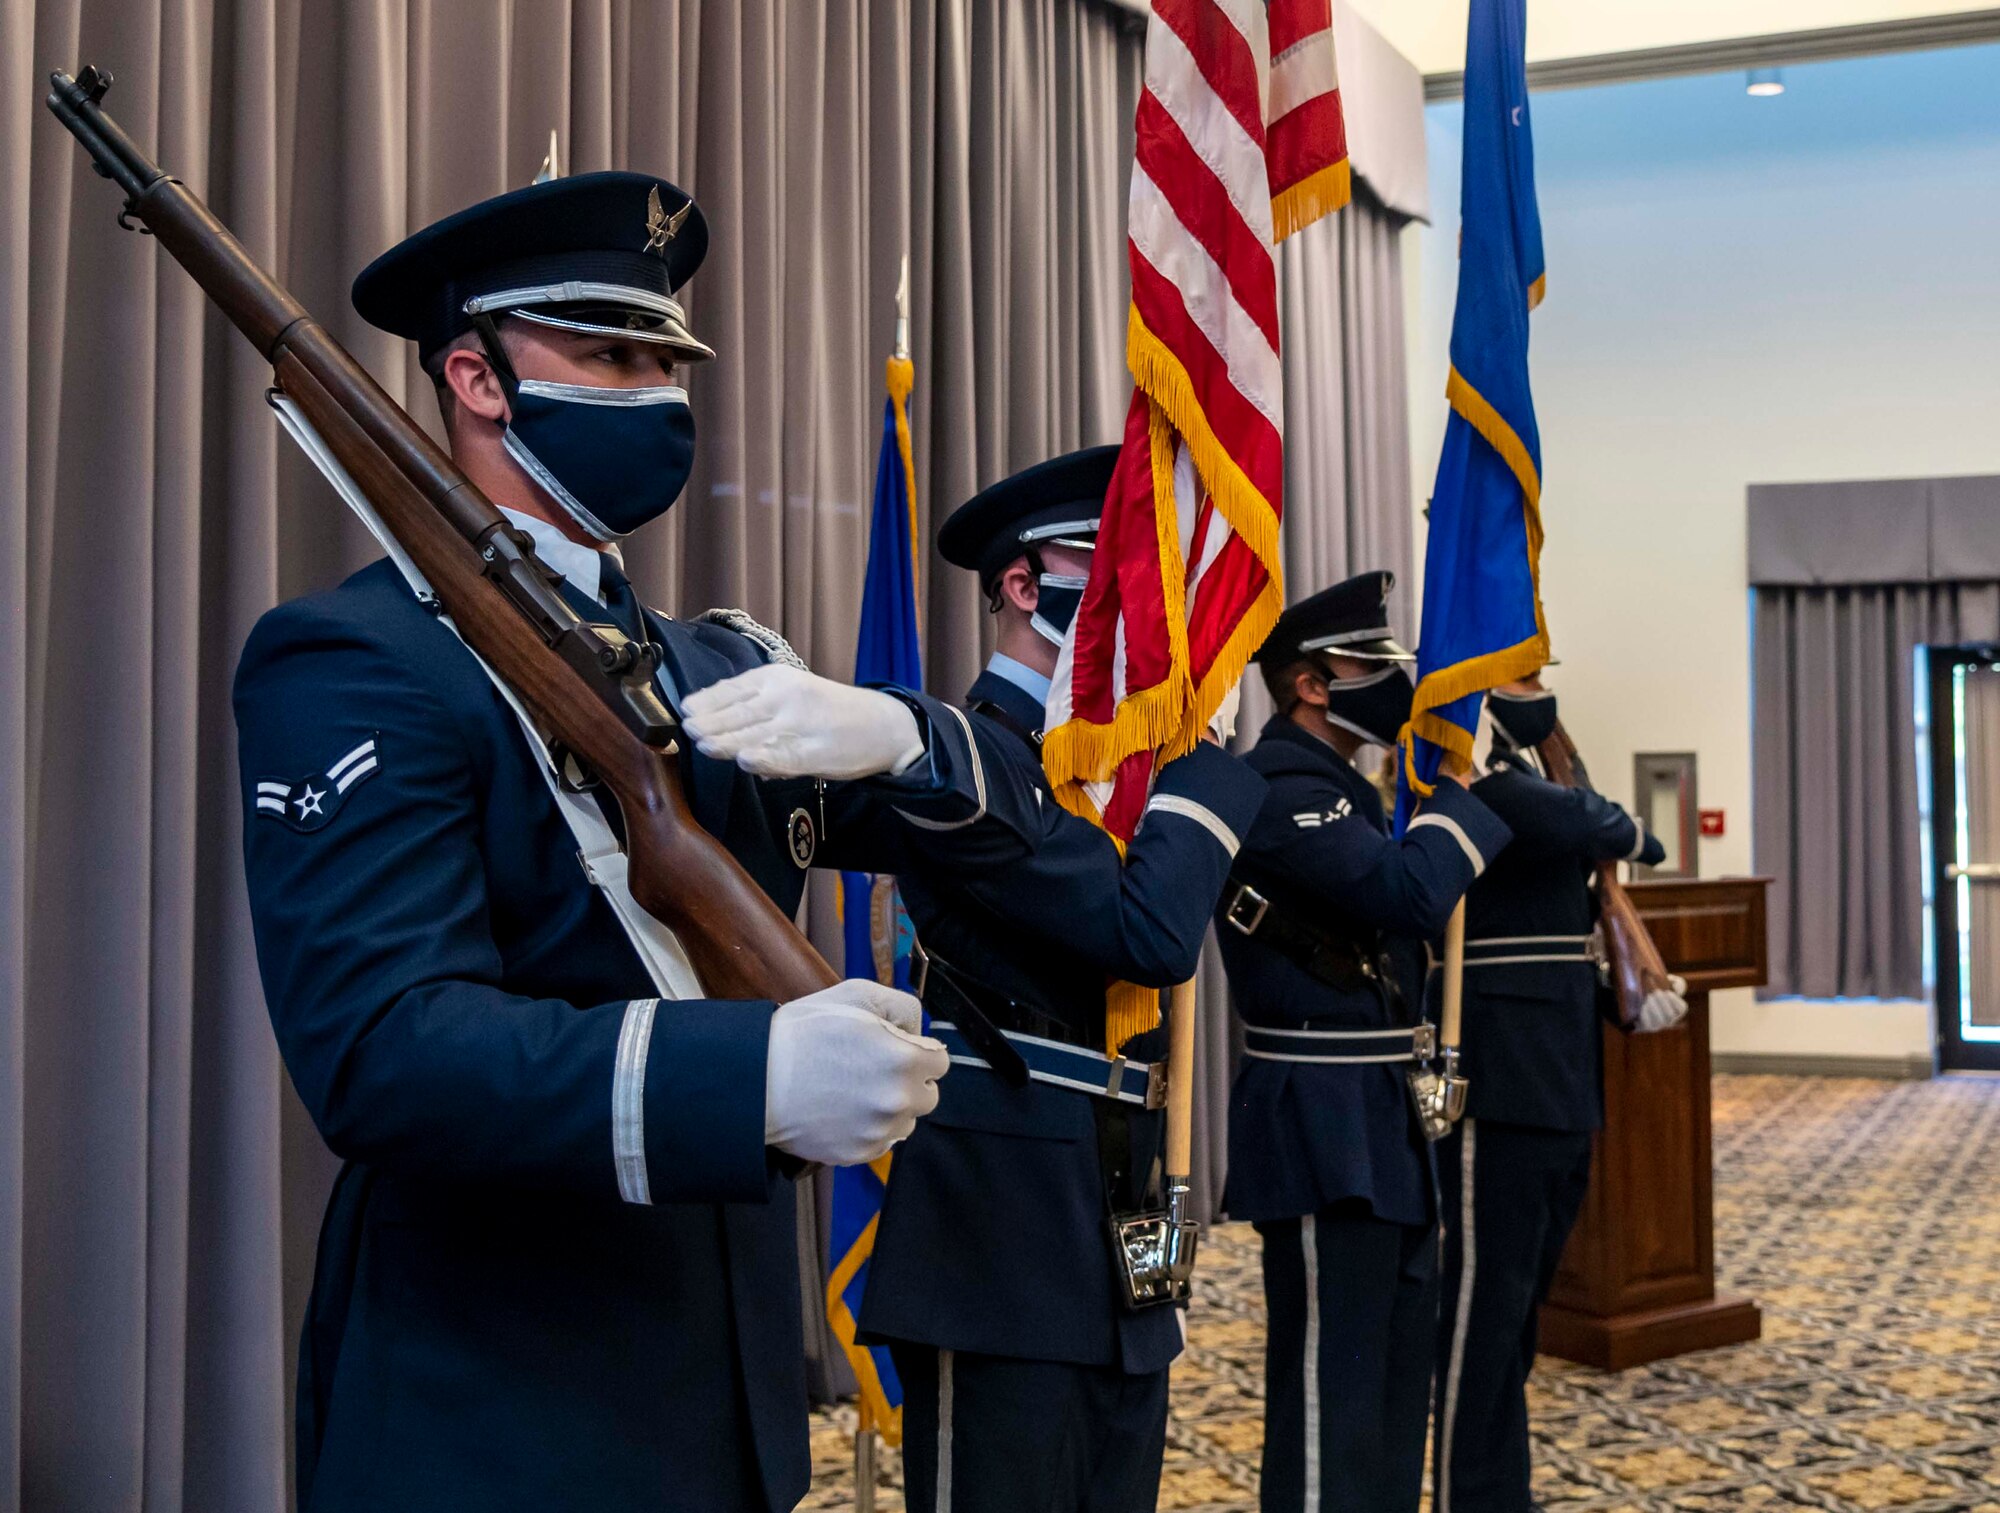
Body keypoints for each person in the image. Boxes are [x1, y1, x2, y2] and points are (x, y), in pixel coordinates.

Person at [236, 171, 1039, 1512]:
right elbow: (383, 1051)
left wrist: (913, 737)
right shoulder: (355, 658)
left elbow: (1018, 843)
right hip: (500, 1408)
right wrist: (750, 1074)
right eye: (611, 353)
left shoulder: (724, 667)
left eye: (669, 357)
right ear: (478, 379)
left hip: (722, 1395)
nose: (659, 392)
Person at [687, 445, 1269, 1513]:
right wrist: (1213, 769)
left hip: (1129, 1212)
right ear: (1021, 582)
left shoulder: (1111, 770)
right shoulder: (961, 753)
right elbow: (1147, 932)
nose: (1156, 605)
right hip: (1002, 1239)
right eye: (1120, 569)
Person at [1213, 572, 1512, 1513]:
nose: (1397, 684)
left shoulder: (1346, 787)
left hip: (1381, 1106)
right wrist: (1459, 796)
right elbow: (1405, 895)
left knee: (1391, 1376)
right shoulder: (1278, 786)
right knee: (1327, 1388)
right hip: (1318, 1111)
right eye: (1372, 665)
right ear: (1312, 683)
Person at [1429, 670, 1673, 1513]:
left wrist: (1600, 808)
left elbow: (1580, 810)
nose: (1541, 682)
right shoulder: (1460, 754)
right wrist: (1628, 828)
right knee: (1481, 1310)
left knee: (1521, 1307)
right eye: (1525, 668)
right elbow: (1566, 818)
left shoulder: (1541, 753)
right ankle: (1471, 1496)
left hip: (1561, 1067)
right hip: (1498, 1072)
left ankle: (1500, 1492)